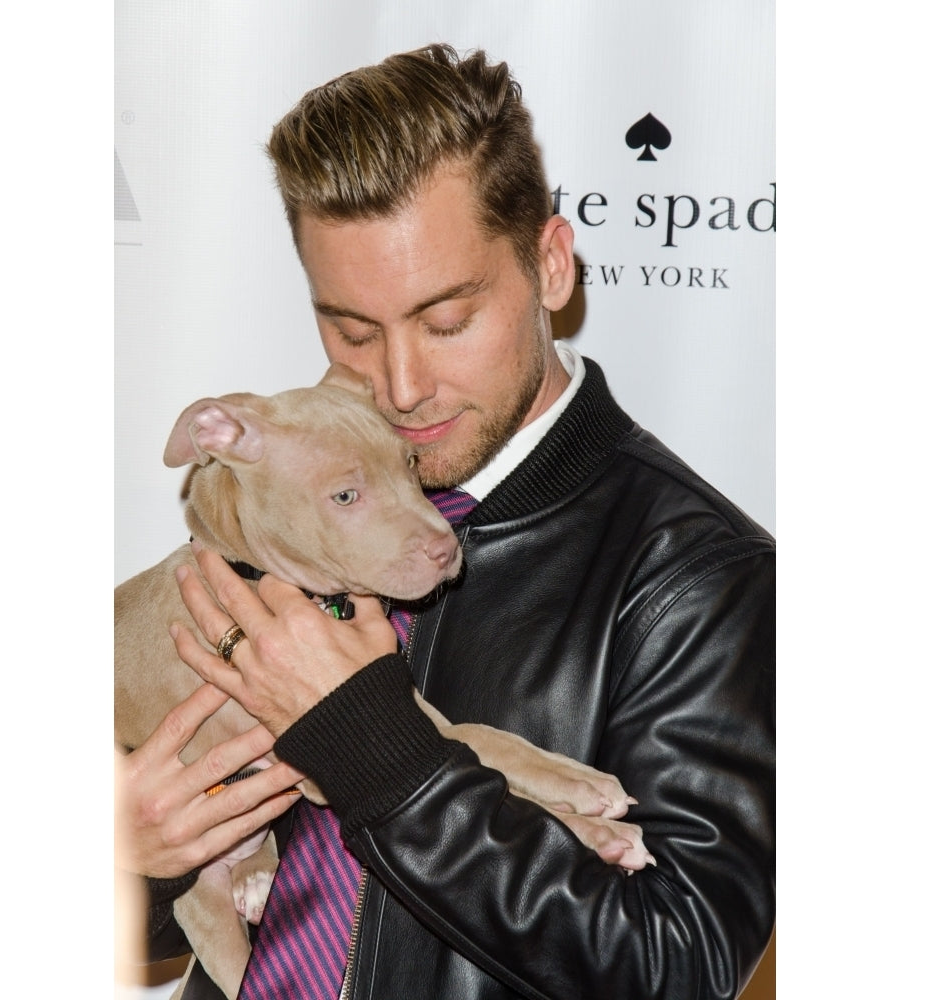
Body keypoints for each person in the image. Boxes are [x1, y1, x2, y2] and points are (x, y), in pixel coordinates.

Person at [118, 43, 775, 1000]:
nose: (399, 385)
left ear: (551, 266)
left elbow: (673, 968)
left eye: (446, 321)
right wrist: (141, 859)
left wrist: (375, 746)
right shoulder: (286, 492)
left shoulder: (700, 577)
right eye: (351, 329)